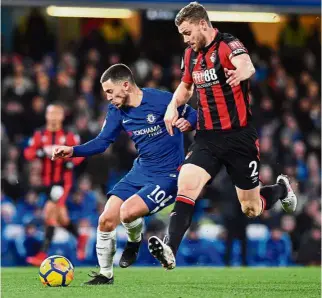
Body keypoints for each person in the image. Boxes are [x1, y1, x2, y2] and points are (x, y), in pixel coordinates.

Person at [148, 1, 297, 270]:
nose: (185, 39)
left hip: (239, 137)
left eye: (187, 32)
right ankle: (170, 248)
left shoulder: (228, 44)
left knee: (251, 208)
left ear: (202, 24)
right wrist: (172, 107)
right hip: (207, 137)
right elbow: (185, 88)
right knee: (187, 184)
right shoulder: (190, 56)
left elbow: (247, 64)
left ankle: (280, 189)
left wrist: (240, 73)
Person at [52, 63, 197, 285]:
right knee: (106, 219)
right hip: (141, 169)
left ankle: (133, 241)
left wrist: (188, 122)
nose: (108, 97)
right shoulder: (116, 111)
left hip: (167, 175)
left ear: (126, 85)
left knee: (128, 212)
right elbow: (102, 143)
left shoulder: (160, 99)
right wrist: (73, 151)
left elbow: (194, 114)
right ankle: (105, 274)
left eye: (110, 91)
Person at [24, 103, 86, 266]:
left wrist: (71, 162)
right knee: (62, 219)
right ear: (46, 116)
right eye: (50, 113)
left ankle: (42, 253)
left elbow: (80, 154)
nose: (52, 116)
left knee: (49, 213)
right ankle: (81, 237)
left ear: (61, 116)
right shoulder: (40, 134)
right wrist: (37, 152)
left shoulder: (68, 135)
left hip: (62, 182)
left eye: (56, 113)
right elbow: (28, 152)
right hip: (46, 182)